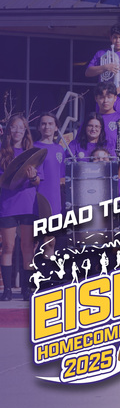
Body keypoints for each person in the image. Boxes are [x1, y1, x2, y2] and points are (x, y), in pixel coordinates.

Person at [0, 115, 40, 301]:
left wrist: (32, 177)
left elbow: (39, 180)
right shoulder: (2, 151)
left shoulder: (32, 153)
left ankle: (27, 288)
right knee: (8, 246)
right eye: (14, 128)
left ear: (26, 131)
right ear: (9, 130)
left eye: (21, 128)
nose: (17, 131)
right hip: (7, 204)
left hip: (27, 204)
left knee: (27, 247)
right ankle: (7, 290)